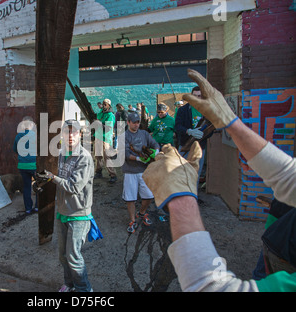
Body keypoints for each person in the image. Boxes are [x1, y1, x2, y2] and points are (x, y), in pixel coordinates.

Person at [143, 68, 296, 291]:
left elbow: (212, 287)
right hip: (275, 244)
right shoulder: (185, 111)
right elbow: (287, 176)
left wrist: (180, 197)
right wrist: (231, 122)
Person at [37, 119, 94, 292]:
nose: (70, 135)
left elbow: (74, 187)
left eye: (74, 132)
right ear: (61, 134)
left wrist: (52, 178)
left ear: (80, 134)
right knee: (63, 256)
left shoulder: (84, 157)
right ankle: (70, 284)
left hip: (78, 213)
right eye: (66, 132)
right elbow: (54, 176)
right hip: (62, 211)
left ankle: (84, 290)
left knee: (73, 256)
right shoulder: (60, 154)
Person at [123, 112, 160, 233]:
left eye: (138, 122)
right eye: (134, 122)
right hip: (130, 171)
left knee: (149, 195)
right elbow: (126, 154)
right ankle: (132, 220)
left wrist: (156, 151)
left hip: (144, 171)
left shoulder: (144, 134)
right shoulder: (124, 136)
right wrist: (138, 158)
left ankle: (142, 212)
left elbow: (154, 144)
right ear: (128, 122)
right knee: (130, 198)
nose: (136, 124)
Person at [175, 87, 212, 181]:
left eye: (199, 96)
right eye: (194, 96)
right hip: (185, 146)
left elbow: (211, 129)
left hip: (199, 148)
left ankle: (193, 195)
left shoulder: (207, 111)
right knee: (181, 173)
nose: (196, 98)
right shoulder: (183, 110)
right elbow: (177, 127)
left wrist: (204, 134)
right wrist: (189, 131)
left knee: (196, 174)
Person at [13, 116, 37, 214]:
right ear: (32, 124)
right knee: (39, 185)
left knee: (26, 187)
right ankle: (37, 207)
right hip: (34, 165)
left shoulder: (18, 136)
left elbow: (15, 149)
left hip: (22, 166)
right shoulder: (35, 135)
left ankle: (28, 208)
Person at [94, 99, 117, 183]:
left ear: (109, 106)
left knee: (107, 157)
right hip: (98, 136)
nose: (103, 106)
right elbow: (98, 117)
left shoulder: (110, 115)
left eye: (105, 104)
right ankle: (98, 172)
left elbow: (108, 128)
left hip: (105, 138)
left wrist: (98, 124)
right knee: (98, 156)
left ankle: (113, 174)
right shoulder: (102, 113)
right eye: (103, 104)